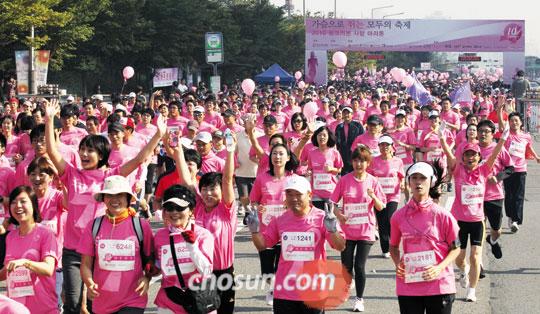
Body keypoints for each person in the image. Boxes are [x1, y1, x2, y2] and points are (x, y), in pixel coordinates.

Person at [44, 99, 166, 313]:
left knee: (95, 301)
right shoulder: (71, 174)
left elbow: (139, 159)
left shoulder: (112, 176)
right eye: (82, 150)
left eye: (89, 151)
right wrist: (49, 120)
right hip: (73, 248)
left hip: (101, 248)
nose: (83, 154)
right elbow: (52, 152)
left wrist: (158, 135)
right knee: (72, 301)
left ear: (101, 155)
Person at [247, 175, 346, 314]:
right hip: (285, 291)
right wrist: (255, 231)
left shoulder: (322, 218)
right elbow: (263, 245)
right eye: (289, 194)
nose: (293, 198)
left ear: (309, 195)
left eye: (298, 194)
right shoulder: (279, 220)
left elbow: (340, 246)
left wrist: (333, 230)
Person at [439, 124, 509, 302]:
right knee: (460, 259)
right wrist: (441, 137)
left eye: (474, 155)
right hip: (459, 222)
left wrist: (502, 138)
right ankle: (463, 271)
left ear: (479, 157)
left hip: (477, 221)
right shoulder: (458, 170)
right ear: (463, 157)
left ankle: (472, 290)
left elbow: (493, 155)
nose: (471, 158)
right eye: (467, 155)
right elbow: (448, 153)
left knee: (475, 255)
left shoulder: (484, 170)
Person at [174, 129, 236, 314]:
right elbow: (186, 180)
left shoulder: (226, 209)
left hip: (223, 272)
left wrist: (230, 150)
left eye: (213, 189)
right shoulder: (199, 205)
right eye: (205, 189)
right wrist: (177, 149)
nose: (208, 194)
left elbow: (226, 180)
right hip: (199, 271)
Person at [390, 162, 460, 314]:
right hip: (409, 285)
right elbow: (393, 246)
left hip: (439, 285)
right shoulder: (398, 216)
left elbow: (456, 248)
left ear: (431, 181)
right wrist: (398, 264)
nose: (418, 182)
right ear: (408, 182)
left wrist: (439, 268)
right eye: (414, 178)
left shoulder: (443, 215)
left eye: (422, 178)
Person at [79, 175, 154, 314]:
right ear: (104, 199)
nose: (114, 200)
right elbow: (85, 264)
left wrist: (147, 278)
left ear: (127, 198)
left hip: (133, 300)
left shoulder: (140, 226)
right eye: (109, 195)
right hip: (101, 303)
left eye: (119, 195)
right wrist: (89, 283)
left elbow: (150, 259)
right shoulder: (94, 226)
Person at [330, 145, 385, 312]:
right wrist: (339, 215)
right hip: (347, 231)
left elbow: (381, 206)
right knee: (347, 265)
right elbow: (333, 203)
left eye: (362, 160)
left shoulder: (373, 181)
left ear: (368, 163)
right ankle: (348, 281)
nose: (358, 164)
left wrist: (373, 196)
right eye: (355, 160)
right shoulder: (344, 180)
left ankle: (359, 299)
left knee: (359, 266)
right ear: (352, 162)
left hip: (366, 231)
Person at [249, 142, 300, 305]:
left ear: (287, 158)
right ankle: (274, 286)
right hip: (266, 230)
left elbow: (302, 203)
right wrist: (259, 208)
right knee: (266, 271)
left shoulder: (293, 179)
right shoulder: (262, 178)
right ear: (270, 158)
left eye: (281, 154)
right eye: (274, 154)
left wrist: (292, 206)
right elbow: (253, 201)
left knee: (283, 265)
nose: (277, 157)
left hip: (287, 230)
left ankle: (278, 292)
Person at [152, 184, 215, 314]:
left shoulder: (203, 234)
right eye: (170, 208)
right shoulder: (159, 236)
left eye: (180, 208)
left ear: (191, 210)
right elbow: (160, 267)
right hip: (169, 300)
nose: (174, 212)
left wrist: (193, 247)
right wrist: (152, 268)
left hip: (199, 300)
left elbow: (206, 271)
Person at [0, 186, 58, 313]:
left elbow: (48, 269)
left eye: (23, 201)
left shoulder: (46, 234)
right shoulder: (10, 237)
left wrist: (25, 262)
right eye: (13, 202)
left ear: (34, 204)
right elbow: (6, 271)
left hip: (44, 308)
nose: (18, 206)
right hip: (17, 308)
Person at [477, 119, 514, 259]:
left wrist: (498, 177)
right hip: (476, 197)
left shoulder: (498, 148)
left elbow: (511, 168)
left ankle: (492, 241)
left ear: (493, 134)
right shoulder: (472, 150)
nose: (483, 134)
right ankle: (478, 263)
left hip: (495, 196)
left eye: (486, 131)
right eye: (480, 131)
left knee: (496, 230)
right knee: (479, 230)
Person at [367, 135, 404, 258]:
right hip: (378, 197)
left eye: (386, 145)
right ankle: (385, 249)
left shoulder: (398, 161)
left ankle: (393, 243)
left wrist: (403, 184)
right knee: (382, 222)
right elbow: (369, 177)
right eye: (381, 145)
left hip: (393, 196)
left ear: (392, 147)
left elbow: (401, 176)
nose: (384, 147)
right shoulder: (373, 161)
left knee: (390, 219)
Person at [335, 106, 365, 175]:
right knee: (344, 175)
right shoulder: (339, 126)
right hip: (342, 154)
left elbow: (362, 139)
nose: (346, 115)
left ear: (352, 114)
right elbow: (337, 141)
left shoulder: (357, 125)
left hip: (354, 153)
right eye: (344, 113)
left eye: (348, 113)